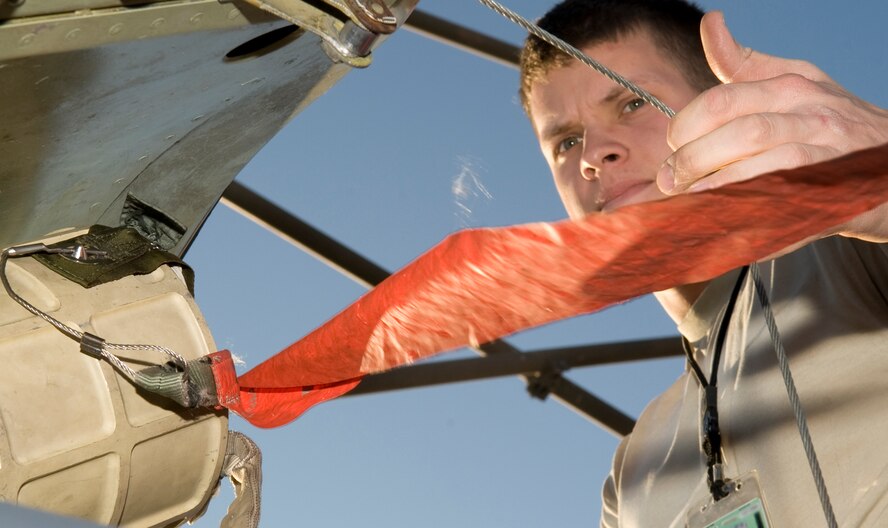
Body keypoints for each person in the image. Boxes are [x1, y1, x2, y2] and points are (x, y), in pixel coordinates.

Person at [519, 1, 888, 526]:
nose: (593, 153)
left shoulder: (857, 249)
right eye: (566, 141)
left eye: (630, 104)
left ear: (723, 107)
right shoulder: (630, 476)